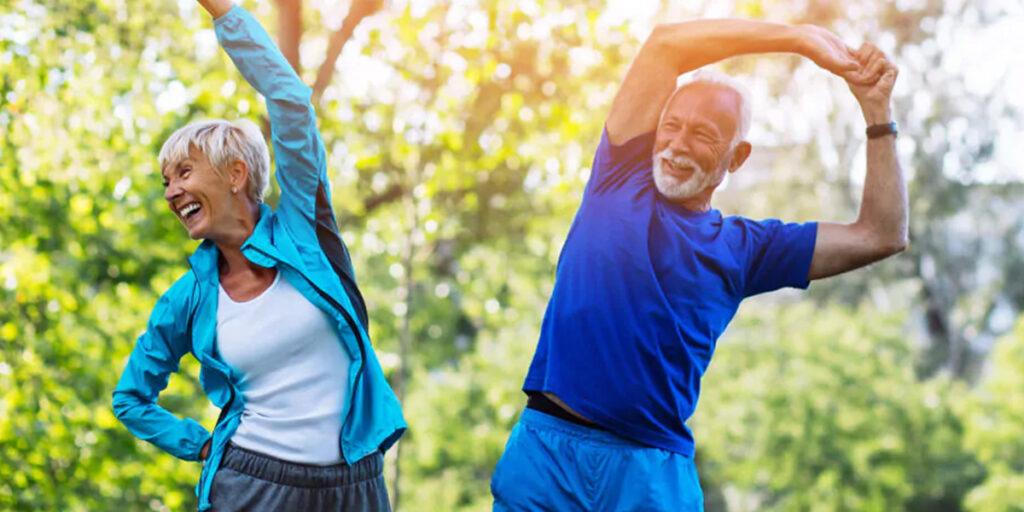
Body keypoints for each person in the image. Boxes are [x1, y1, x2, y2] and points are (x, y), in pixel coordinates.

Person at [490, 19, 906, 512]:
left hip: (651, 475)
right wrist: (799, 40)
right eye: (672, 125)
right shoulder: (618, 176)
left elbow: (881, 233)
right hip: (547, 456)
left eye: (703, 135)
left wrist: (877, 115)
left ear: (737, 157)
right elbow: (665, 44)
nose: (677, 146)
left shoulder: (747, 249)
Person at [111, 1, 405, 510]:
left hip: (355, 485)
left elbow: (290, 100)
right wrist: (202, 446)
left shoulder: (304, 231)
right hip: (253, 485)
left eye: (183, 172)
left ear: (235, 174)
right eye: (166, 182)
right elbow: (131, 399)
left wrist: (224, 11)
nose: (170, 192)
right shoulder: (190, 298)